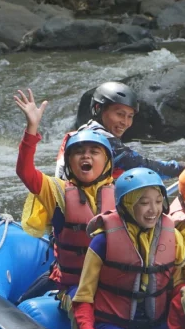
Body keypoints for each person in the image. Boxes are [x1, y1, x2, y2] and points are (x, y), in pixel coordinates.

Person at [72, 168, 185, 329]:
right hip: (109, 323)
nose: (154, 210)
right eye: (144, 203)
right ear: (127, 205)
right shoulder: (103, 240)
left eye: (159, 202)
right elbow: (84, 296)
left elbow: (179, 284)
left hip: (152, 322)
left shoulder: (173, 236)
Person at [14, 89, 117, 301]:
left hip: (109, 284)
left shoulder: (123, 192)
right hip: (67, 281)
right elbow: (25, 172)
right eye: (79, 152)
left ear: (106, 161)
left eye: (94, 152)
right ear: (69, 162)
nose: (85, 156)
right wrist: (32, 128)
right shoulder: (57, 191)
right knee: (19, 306)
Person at [54, 81, 185, 180]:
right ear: (98, 109)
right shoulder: (100, 140)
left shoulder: (81, 132)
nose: (125, 122)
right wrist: (183, 167)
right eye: (120, 114)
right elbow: (144, 167)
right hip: (82, 210)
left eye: (130, 116)